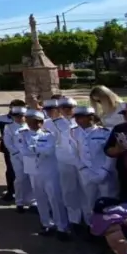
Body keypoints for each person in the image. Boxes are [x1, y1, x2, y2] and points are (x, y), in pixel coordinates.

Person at [18, 109, 70, 240]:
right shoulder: (22, 134)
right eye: (30, 121)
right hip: (33, 171)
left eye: (36, 122)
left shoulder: (49, 135)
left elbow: (49, 151)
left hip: (50, 171)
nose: (32, 124)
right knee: (40, 199)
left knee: (55, 199)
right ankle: (46, 224)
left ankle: (62, 227)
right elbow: (23, 151)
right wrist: (38, 149)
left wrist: (34, 148)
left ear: (41, 122)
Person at [71, 105, 117, 226]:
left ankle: (110, 228)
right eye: (76, 117)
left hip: (105, 173)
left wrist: (105, 170)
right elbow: (74, 154)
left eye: (81, 117)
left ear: (91, 117)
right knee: (89, 202)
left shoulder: (105, 132)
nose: (77, 120)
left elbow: (110, 153)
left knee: (108, 201)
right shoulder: (73, 132)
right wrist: (84, 169)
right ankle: (92, 227)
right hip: (86, 173)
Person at [44, 98, 83, 230]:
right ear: (59, 109)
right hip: (64, 161)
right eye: (64, 108)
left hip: (83, 162)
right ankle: (74, 220)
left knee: (85, 191)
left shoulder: (82, 121)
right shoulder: (49, 124)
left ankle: (87, 220)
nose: (67, 110)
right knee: (69, 191)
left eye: (70, 107)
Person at [0, 99, 26, 202]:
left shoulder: (26, 118)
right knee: (11, 170)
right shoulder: (1, 118)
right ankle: (11, 191)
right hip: (8, 148)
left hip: (25, 148)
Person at [3, 106, 35, 214]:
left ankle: (32, 201)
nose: (19, 118)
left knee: (31, 178)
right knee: (20, 179)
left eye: (22, 116)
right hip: (17, 157)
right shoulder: (9, 127)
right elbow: (8, 142)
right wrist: (16, 153)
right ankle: (19, 202)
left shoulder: (30, 126)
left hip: (30, 156)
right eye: (17, 116)